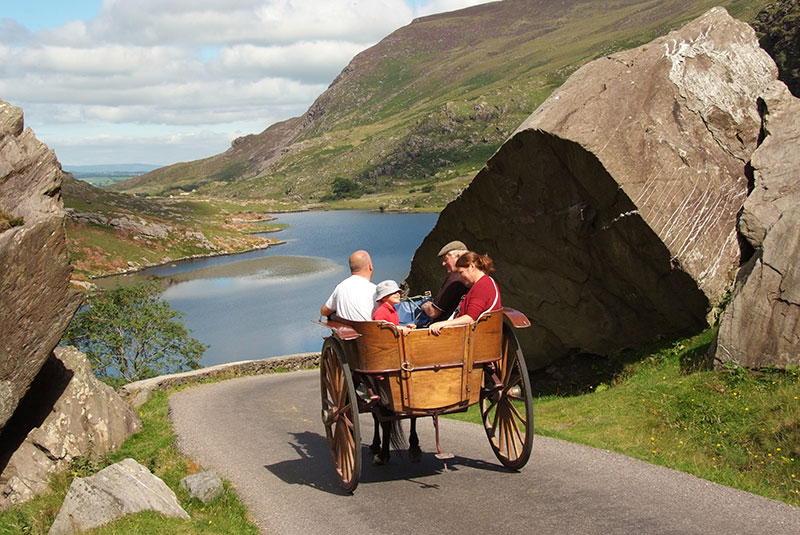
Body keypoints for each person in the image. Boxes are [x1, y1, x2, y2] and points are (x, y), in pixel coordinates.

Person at [398, 240, 469, 327]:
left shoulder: (454, 279)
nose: (443, 264)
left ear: (458, 256)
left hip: (442, 330)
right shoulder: (471, 279)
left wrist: (425, 305)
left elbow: (433, 312)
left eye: (445, 259)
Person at [428, 251, 501, 335]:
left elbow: (470, 318)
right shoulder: (485, 282)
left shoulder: (482, 286)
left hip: (469, 337)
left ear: (472, 267)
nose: (460, 276)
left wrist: (443, 323)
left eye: (461, 272)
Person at [320, 250, 376, 321]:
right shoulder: (375, 290)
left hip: (345, 330)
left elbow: (324, 311)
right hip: (368, 331)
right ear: (370, 267)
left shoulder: (341, 287)